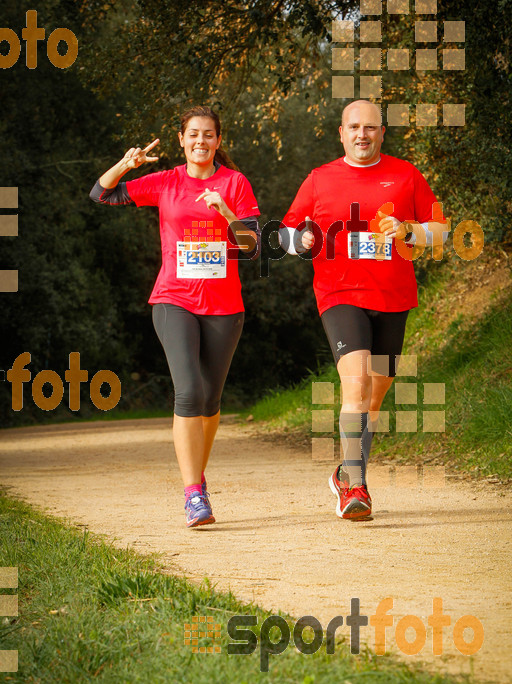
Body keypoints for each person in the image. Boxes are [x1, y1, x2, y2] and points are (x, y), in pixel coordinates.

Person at [90, 106, 260, 527]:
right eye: (193, 135)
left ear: (218, 141)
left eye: (209, 135)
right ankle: (193, 495)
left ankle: (195, 476)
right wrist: (125, 165)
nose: (201, 141)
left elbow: (254, 246)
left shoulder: (235, 184)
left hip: (224, 307)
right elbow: (101, 194)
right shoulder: (166, 182)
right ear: (182, 140)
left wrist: (224, 209)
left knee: (210, 400)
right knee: (188, 392)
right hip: (174, 300)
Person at [281, 99, 447, 521]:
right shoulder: (320, 179)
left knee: (373, 399)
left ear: (381, 133)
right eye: (354, 127)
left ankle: (344, 471)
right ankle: (356, 486)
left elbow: (442, 231)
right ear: (341, 132)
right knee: (354, 387)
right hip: (340, 294)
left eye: (370, 128)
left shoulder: (406, 175)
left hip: (393, 298)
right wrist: (299, 242)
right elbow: (286, 230)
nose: (362, 135)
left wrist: (410, 229)